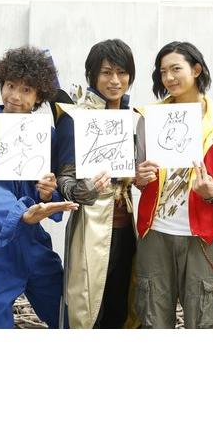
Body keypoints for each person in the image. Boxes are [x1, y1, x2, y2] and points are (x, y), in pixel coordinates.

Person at [0, 46, 77, 329]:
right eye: (10, 85)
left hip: (33, 240)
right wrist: (22, 213)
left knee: (67, 315)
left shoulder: (47, 136)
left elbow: (53, 185)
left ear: (39, 96)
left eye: (26, 89)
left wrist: (47, 192)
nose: (15, 96)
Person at [134, 41, 213, 328]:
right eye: (163, 71)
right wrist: (139, 178)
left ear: (196, 69)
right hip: (154, 232)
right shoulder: (149, 117)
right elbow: (139, 172)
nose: (169, 77)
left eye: (176, 69)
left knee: (202, 319)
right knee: (153, 317)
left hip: (201, 235)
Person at [56, 39, 138, 328]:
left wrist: (140, 175)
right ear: (92, 75)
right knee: (88, 307)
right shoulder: (74, 117)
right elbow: (63, 178)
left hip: (128, 228)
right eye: (106, 72)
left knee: (122, 306)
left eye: (122, 72)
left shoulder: (131, 117)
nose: (115, 80)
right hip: (90, 226)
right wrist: (83, 190)